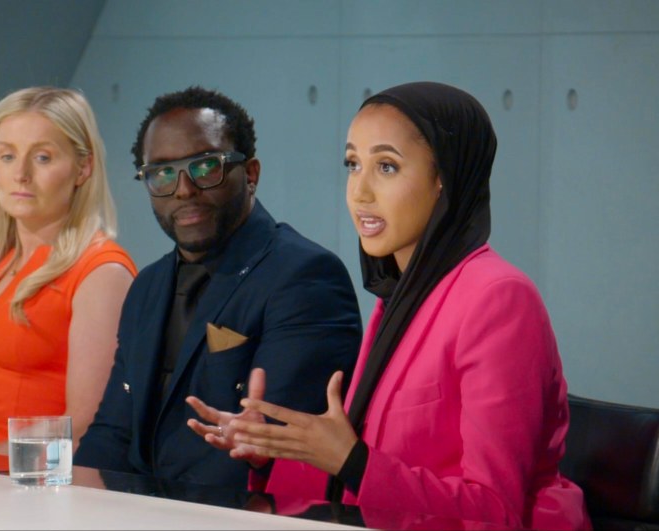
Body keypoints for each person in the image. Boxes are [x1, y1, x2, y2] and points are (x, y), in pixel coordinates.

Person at [187, 82, 590, 529]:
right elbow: (365, 473)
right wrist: (271, 455)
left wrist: (352, 460)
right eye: (353, 164)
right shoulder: (399, 298)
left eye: (387, 166)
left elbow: (494, 513)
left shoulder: (500, 299)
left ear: (445, 178)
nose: (359, 192)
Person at [74, 86, 363, 490]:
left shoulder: (306, 276)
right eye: (162, 173)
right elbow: (112, 432)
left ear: (250, 173)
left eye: (206, 166)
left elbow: (277, 448)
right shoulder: (147, 287)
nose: (184, 189)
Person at [0, 87, 137, 454]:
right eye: (7, 156)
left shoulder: (101, 272)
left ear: (83, 167)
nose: (21, 174)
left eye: (43, 157)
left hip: (21, 485)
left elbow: (82, 428)